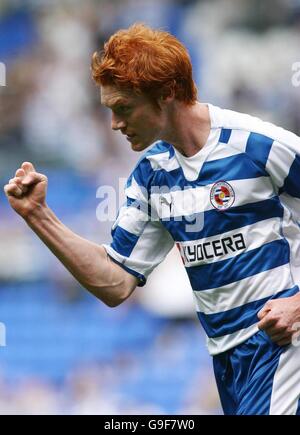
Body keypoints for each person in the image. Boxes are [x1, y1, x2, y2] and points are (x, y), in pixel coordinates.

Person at [4, 23, 300, 415]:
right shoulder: (152, 175)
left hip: (284, 346)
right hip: (229, 362)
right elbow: (115, 282)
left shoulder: (258, 145)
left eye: (124, 108)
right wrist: (39, 216)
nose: (115, 124)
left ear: (167, 94)